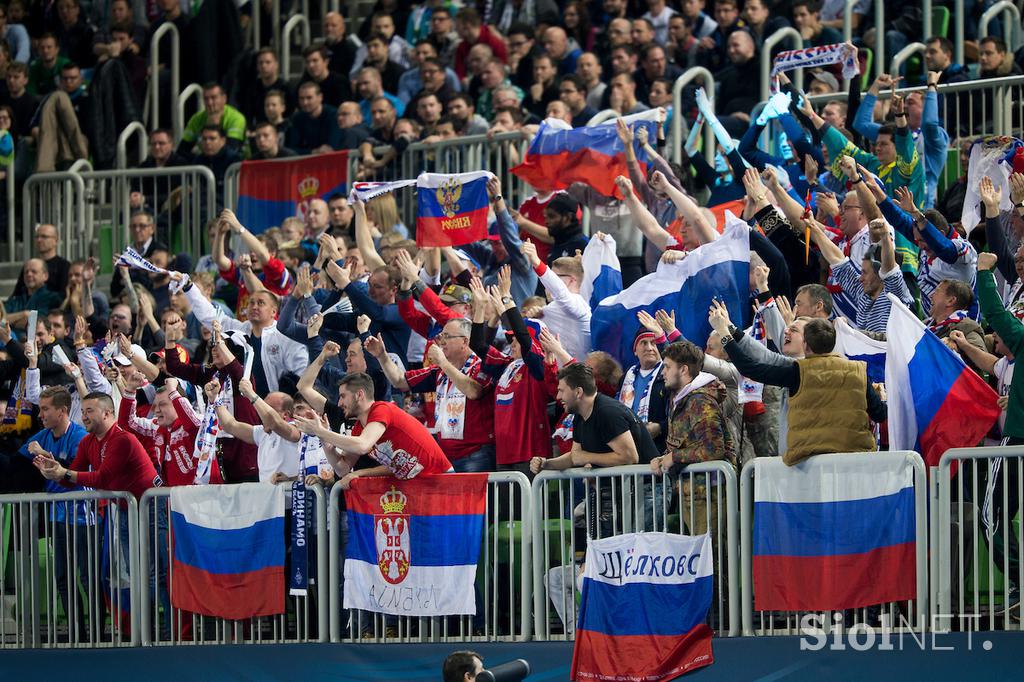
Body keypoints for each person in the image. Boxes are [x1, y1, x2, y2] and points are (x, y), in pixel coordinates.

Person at [710, 302, 886, 465]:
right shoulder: (859, 371)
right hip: (853, 464)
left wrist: (723, 333)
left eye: (793, 330)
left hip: (808, 465)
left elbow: (750, 368)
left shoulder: (798, 372)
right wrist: (883, 398)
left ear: (806, 345)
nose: (786, 333)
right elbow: (880, 414)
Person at [368, 316, 496, 472]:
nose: (441, 341)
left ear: (465, 341)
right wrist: (382, 355)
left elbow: (473, 391)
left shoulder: (482, 366)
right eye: (441, 336)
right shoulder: (439, 372)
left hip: (476, 455)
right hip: (446, 455)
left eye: (447, 336)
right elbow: (400, 380)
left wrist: (443, 362)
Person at [20, 385, 94, 641]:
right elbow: (15, 465)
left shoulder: (80, 436)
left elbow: (73, 472)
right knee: (62, 577)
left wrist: (44, 455)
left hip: (83, 515)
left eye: (45, 409)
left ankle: (97, 634)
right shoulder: (43, 434)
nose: (40, 414)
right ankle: (77, 635)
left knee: (88, 577)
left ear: (62, 411)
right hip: (56, 516)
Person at [293, 372, 453, 485]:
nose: (340, 403)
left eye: (343, 396)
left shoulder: (382, 409)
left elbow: (362, 445)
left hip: (442, 480)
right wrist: (325, 441)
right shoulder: (359, 428)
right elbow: (342, 469)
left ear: (359, 395)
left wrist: (321, 432)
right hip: (420, 484)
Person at [177, 82, 246, 156]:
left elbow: (232, 149)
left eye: (214, 97)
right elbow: (182, 151)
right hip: (205, 160)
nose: (209, 103)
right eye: (206, 99)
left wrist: (215, 125)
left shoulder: (236, 118)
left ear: (224, 99)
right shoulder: (196, 119)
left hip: (234, 162)